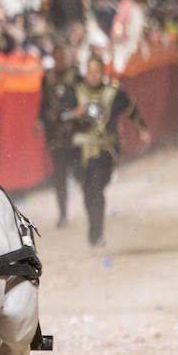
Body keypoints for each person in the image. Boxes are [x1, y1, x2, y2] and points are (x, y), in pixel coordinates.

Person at [65, 57, 150, 247]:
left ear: (103, 73)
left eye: (97, 72)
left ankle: (98, 232)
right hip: (81, 151)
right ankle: (93, 226)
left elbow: (132, 110)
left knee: (97, 187)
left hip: (106, 149)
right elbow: (60, 116)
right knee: (87, 191)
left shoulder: (114, 92)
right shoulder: (75, 92)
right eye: (90, 71)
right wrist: (74, 114)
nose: (93, 76)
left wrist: (142, 129)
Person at [36, 43, 79, 227]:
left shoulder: (77, 76)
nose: (61, 60)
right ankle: (63, 213)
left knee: (80, 172)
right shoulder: (48, 77)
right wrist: (40, 121)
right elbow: (44, 102)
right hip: (55, 135)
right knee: (59, 176)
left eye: (64, 56)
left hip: (74, 133)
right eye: (57, 56)